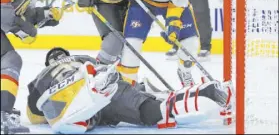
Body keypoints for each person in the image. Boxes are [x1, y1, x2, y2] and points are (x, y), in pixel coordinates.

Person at [26, 47, 233, 134]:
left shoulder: (40, 77)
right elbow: (115, 77)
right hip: (104, 90)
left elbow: (34, 114)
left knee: (150, 108)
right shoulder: (83, 59)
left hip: (78, 104)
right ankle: (207, 93)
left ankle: (207, 94)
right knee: (153, 110)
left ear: (48, 62)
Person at [104, 0, 199, 87]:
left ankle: (185, 71)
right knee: (132, 44)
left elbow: (177, 5)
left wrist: (173, 27)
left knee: (191, 41)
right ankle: (128, 82)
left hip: (170, 4)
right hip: (143, 1)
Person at [1, 0, 63, 134]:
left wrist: (45, 14)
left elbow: (15, 10)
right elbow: (2, 0)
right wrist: (21, 28)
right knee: (10, 60)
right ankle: (3, 116)